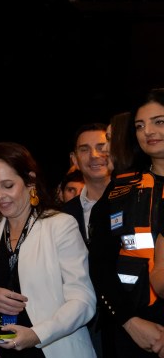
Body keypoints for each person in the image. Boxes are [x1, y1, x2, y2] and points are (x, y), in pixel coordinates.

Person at [0, 142, 96, 357]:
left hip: (50, 348)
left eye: (8, 185)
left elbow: (82, 300)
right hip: (0, 350)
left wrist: (37, 334)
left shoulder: (60, 225)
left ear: (30, 181)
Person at [90, 88, 164, 357]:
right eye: (140, 126)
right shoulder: (120, 190)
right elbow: (100, 265)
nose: (149, 131)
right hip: (133, 330)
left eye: (159, 121)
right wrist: (130, 322)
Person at [61, 123, 112, 244]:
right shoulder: (64, 214)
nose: (94, 155)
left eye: (101, 147)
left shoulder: (134, 200)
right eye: (84, 149)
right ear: (74, 160)